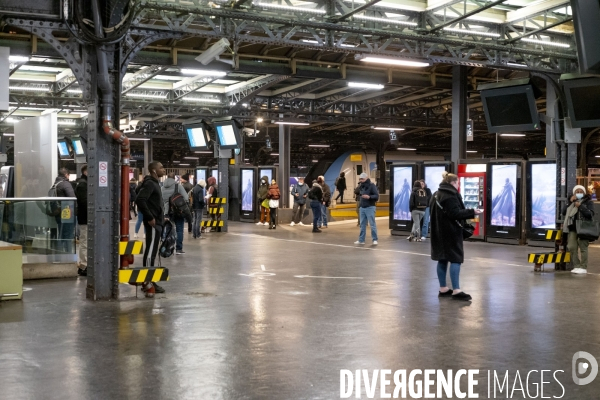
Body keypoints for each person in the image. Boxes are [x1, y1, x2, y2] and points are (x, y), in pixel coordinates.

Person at [431, 171, 483, 301]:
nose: (459, 185)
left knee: (442, 259)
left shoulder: (435, 195)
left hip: (437, 232)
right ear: (453, 183)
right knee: (455, 259)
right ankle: (456, 290)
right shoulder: (451, 196)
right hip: (451, 232)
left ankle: (443, 288)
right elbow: (455, 213)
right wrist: (472, 212)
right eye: (458, 182)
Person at [134, 161, 166, 298]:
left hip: (157, 221)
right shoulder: (150, 183)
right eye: (161, 167)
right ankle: (148, 282)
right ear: (154, 170)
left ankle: (149, 280)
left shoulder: (154, 183)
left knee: (152, 251)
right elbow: (140, 200)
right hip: (153, 223)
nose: (163, 170)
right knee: (150, 253)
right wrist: (150, 217)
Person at [562, 185, 595, 274]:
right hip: (572, 228)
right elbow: (564, 212)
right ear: (574, 193)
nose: (579, 193)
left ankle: (583, 267)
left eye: (581, 191)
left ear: (584, 193)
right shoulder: (571, 202)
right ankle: (576, 265)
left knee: (583, 247)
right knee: (572, 247)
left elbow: (590, 214)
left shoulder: (588, 202)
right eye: (577, 191)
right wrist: (569, 202)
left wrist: (580, 206)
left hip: (583, 228)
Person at [161, 172, 191, 255]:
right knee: (179, 229)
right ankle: (178, 249)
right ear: (175, 178)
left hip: (166, 213)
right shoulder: (178, 186)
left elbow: (161, 200)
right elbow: (186, 198)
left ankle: (167, 248)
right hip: (177, 211)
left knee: (168, 229)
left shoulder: (162, 187)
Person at [52, 168, 76, 254]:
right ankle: (68, 255)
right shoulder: (65, 184)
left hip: (58, 213)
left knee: (61, 234)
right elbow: (72, 198)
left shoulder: (55, 184)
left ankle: (59, 253)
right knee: (68, 236)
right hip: (67, 213)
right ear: (66, 175)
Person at [354, 172, 379, 245]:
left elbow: (376, 196)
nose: (361, 180)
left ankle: (375, 239)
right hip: (362, 207)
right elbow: (356, 192)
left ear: (366, 178)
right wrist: (359, 186)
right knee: (362, 224)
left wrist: (369, 197)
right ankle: (361, 240)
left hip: (370, 207)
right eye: (360, 179)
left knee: (372, 224)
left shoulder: (372, 186)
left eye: (362, 179)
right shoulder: (361, 186)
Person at [74, 165, 88, 276]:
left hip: (86, 217)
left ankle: (86, 264)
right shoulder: (83, 184)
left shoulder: (85, 183)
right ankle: (84, 265)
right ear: (85, 171)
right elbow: (84, 202)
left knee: (86, 241)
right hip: (85, 218)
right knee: (85, 242)